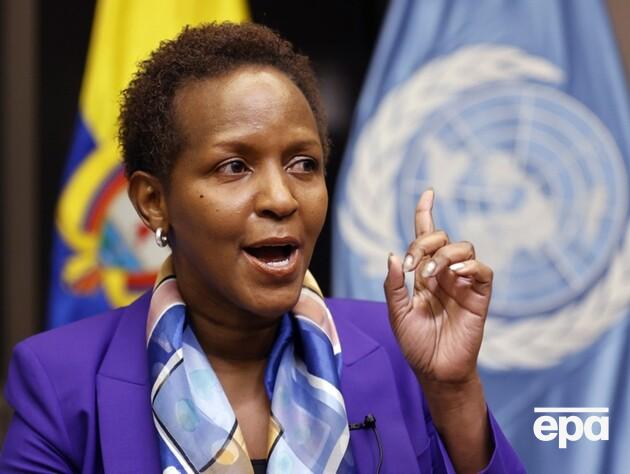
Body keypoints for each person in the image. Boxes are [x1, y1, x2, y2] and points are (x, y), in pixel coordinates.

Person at [0, 23, 524, 473]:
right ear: (153, 202)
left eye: (303, 165)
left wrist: (453, 390)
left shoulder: (398, 352)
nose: (281, 198)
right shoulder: (62, 381)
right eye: (234, 167)